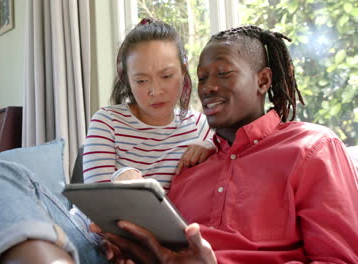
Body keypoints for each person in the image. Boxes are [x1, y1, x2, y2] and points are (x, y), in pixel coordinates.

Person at [99, 25, 358, 263]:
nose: (208, 87)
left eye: (224, 74)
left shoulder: (312, 148)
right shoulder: (188, 170)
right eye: (202, 78)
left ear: (263, 80)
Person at [0, 19, 214, 264]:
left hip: (155, 254)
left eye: (167, 76)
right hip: (90, 242)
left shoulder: (203, 128)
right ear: (125, 77)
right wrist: (123, 178)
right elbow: (99, 212)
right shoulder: (108, 121)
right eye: (141, 80)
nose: (155, 90)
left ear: (183, 69)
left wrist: (213, 145)